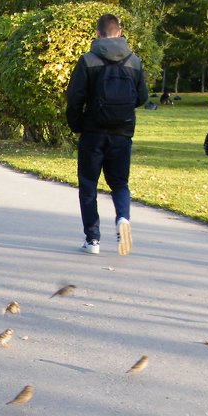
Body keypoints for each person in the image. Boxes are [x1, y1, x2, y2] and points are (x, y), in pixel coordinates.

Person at [65, 13, 149, 256]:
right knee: (120, 183)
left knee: (88, 185)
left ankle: (93, 239)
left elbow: (75, 98)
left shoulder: (88, 60)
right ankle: (122, 218)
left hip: (93, 131)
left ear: (98, 34)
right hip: (122, 132)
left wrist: (77, 124)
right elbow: (142, 97)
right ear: (120, 33)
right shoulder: (133, 61)